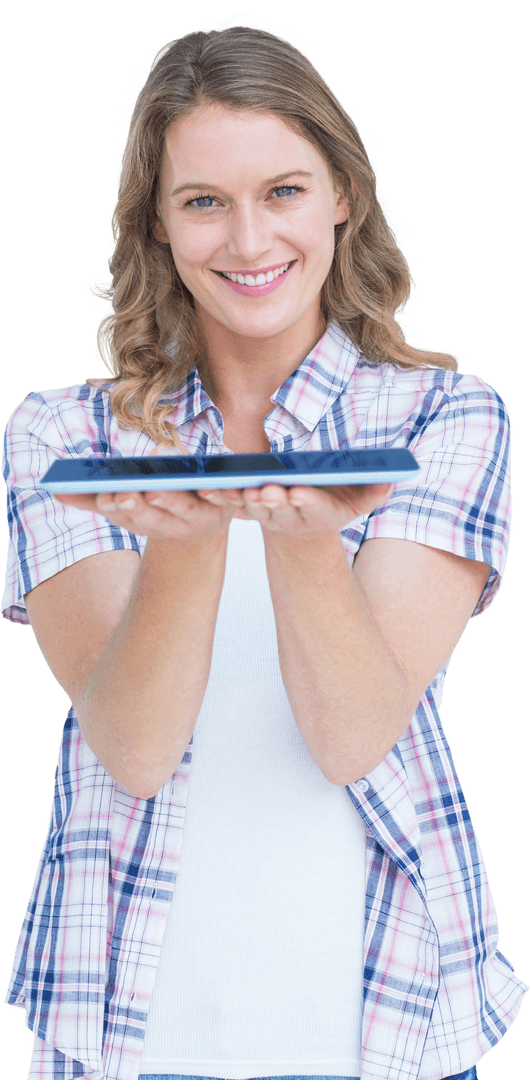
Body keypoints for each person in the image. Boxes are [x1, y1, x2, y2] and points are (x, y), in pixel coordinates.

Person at [2, 13, 527, 1080]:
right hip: (123, 1035)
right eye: (203, 202)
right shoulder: (61, 435)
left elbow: (352, 738)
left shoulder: (442, 421)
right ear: (156, 224)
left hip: (383, 1027)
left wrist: (298, 545)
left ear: (343, 195)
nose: (247, 244)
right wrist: (187, 550)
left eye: (282, 191)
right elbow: (134, 750)